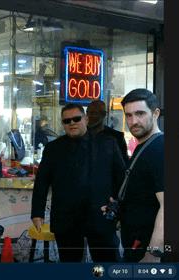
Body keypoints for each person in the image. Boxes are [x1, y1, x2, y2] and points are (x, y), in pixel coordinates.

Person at [31, 103, 126, 262]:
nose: (72, 123)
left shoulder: (108, 143)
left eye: (76, 119)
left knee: (108, 263)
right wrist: (37, 212)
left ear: (86, 119)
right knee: (70, 266)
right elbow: (42, 181)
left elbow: (121, 178)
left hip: (101, 216)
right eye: (67, 121)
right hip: (67, 219)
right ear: (62, 124)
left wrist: (121, 209)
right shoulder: (53, 148)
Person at [102, 89, 164, 262]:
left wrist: (153, 254)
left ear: (155, 114)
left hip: (147, 250)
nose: (133, 121)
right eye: (128, 115)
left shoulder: (161, 149)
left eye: (140, 113)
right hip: (135, 243)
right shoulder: (144, 145)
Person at [87, 100, 129, 165]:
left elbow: (123, 164)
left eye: (93, 113)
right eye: (87, 113)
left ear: (103, 115)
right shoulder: (82, 133)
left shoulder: (117, 137)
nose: (88, 116)